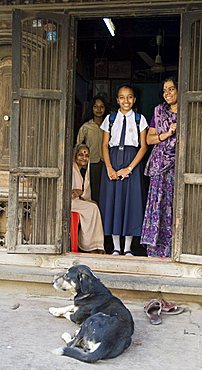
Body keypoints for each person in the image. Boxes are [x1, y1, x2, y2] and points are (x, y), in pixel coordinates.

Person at [99, 85, 148, 256]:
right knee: (114, 202)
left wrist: (129, 168)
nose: (125, 101)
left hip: (132, 162)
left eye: (129, 97)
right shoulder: (110, 119)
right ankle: (115, 247)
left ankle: (127, 247)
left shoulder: (139, 119)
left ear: (134, 100)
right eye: (122, 97)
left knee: (131, 203)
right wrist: (109, 168)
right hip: (112, 161)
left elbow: (143, 147)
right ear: (117, 99)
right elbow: (104, 145)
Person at [140, 77, 178, 258]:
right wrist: (168, 134)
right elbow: (149, 139)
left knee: (173, 205)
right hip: (159, 165)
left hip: (178, 166)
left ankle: (173, 249)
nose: (167, 94)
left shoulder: (188, 111)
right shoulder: (159, 112)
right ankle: (156, 251)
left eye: (171, 89)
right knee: (158, 205)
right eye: (165, 90)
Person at [71, 143, 105, 253]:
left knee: (93, 205)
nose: (84, 158)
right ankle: (90, 246)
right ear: (75, 155)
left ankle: (95, 244)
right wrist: (74, 192)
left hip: (77, 201)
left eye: (86, 155)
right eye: (80, 154)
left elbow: (84, 194)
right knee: (93, 209)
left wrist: (81, 195)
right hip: (68, 202)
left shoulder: (84, 171)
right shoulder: (70, 169)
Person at [76, 95, 108, 204]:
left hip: (106, 162)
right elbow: (78, 146)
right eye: (95, 106)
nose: (98, 110)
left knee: (105, 191)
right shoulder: (86, 127)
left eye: (101, 107)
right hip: (91, 163)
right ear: (91, 108)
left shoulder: (109, 125)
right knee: (92, 190)